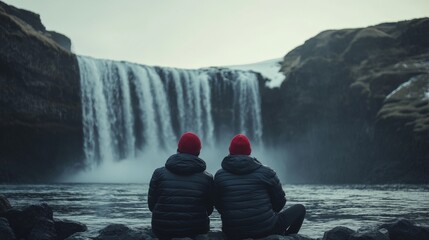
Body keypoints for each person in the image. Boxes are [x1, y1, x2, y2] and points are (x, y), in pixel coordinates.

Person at [214, 134, 306, 239]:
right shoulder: (267, 172)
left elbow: (219, 205)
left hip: (233, 232)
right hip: (266, 230)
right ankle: (286, 237)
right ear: (249, 151)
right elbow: (280, 203)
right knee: (300, 209)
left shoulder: (219, 176)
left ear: (230, 151)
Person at [148, 132, 214, 239]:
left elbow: (152, 206)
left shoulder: (158, 173)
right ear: (198, 152)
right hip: (196, 230)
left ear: (178, 149)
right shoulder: (207, 178)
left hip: (162, 230)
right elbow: (209, 210)